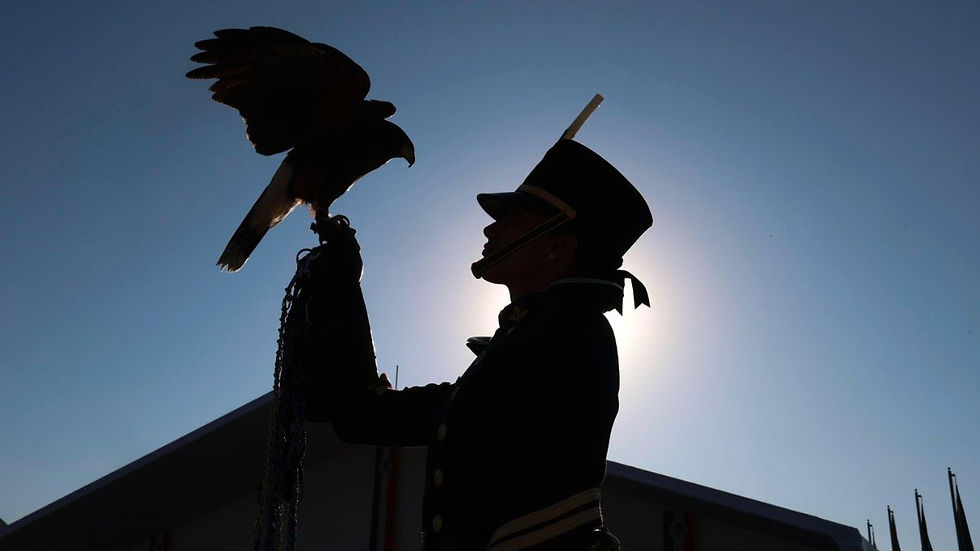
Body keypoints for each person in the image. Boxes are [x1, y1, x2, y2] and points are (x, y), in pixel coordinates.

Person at [301, 138, 653, 551]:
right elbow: (364, 417)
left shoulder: (573, 333)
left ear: (559, 245)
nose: (490, 227)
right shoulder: (522, 345)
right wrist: (340, 289)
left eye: (514, 218)